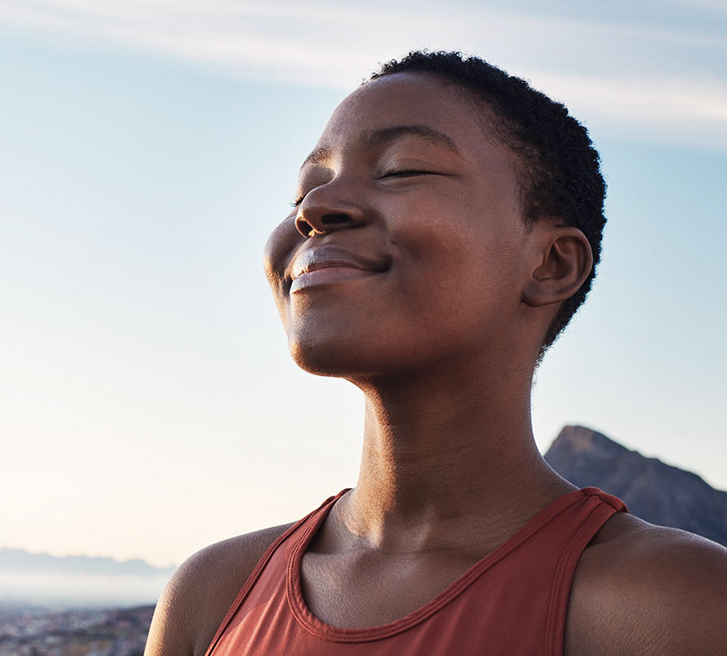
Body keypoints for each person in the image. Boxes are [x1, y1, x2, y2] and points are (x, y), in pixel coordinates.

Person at [145, 51, 727, 655]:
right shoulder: (212, 596)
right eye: (304, 191)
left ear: (550, 264)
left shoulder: (674, 606)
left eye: (400, 170)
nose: (315, 211)